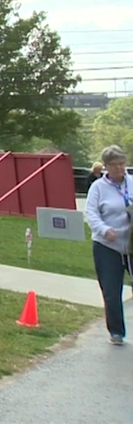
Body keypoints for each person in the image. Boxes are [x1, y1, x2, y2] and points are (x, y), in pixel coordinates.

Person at [84, 145, 133, 345]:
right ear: (106, 167)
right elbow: (91, 213)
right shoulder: (98, 187)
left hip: (131, 242)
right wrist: (104, 230)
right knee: (111, 290)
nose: (121, 168)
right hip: (107, 245)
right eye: (115, 165)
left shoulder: (131, 182)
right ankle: (116, 332)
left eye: (123, 164)